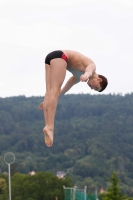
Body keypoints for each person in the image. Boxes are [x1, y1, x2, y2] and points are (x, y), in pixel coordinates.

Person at [38, 50, 108, 147]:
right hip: (61, 57)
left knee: (50, 93)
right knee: (54, 91)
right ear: (99, 79)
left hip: (50, 58)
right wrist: (86, 75)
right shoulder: (92, 67)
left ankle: (47, 126)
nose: (92, 88)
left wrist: (46, 102)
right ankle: (50, 128)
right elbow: (89, 70)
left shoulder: (78, 76)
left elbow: (62, 91)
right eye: (95, 87)